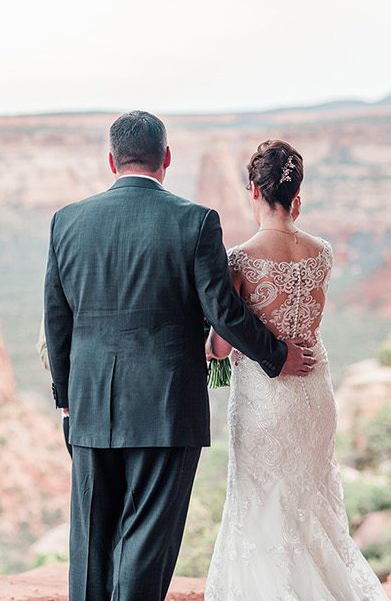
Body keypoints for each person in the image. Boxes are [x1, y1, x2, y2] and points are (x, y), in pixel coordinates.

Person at [43, 111, 315, 601]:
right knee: (147, 543)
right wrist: (277, 356)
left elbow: (56, 318)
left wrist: (66, 397)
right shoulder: (195, 221)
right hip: (167, 409)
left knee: (90, 541)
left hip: (89, 407)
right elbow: (225, 313)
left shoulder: (67, 221)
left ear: (112, 161)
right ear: (166, 159)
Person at [203, 140, 386, 599]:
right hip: (314, 392)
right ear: (297, 198)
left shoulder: (239, 259)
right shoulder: (322, 252)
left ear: (253, 192)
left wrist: (205, 339)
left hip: (264, 398)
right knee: (313, 501)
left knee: (263, 504)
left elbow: (223, 347)